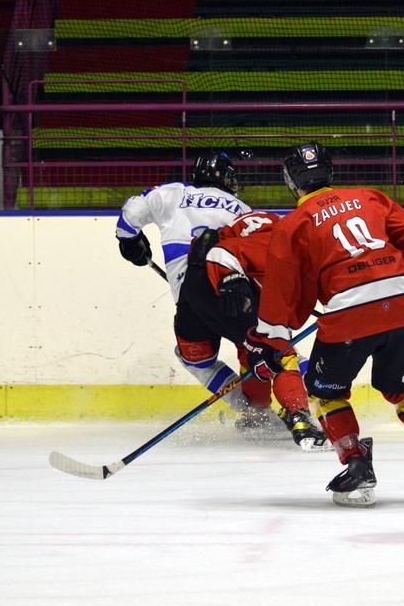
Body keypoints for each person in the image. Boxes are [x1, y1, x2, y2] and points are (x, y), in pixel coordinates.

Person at [244, 142, 404, 506]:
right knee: (403, 387)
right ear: (330, 170)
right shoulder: (369, 196)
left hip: (350, 311)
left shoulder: (294, 223)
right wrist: (388, 277)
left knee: (325, 392)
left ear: (291, 181)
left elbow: (283, 291)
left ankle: (357, 466)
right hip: (403, 300)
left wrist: (272, 340)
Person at [115, 152, 286, 430]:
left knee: (196, 360)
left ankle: (249, 411)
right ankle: (289, 405)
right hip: (230, 289)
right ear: (227, 178)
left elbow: (130, 214)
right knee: (261, 349)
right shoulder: (243, 209)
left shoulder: (173, 193)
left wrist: (130, 243)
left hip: (190, 299)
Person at [182, 211, 330, 451]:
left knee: (249, 349)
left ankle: (256, 413)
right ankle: (299, 417)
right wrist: (235, 282)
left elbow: (203, 247)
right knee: (279, 354)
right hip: (231, 286)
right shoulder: (280, 240)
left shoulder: (231, 231)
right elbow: (223, 255)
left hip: (192, 296)